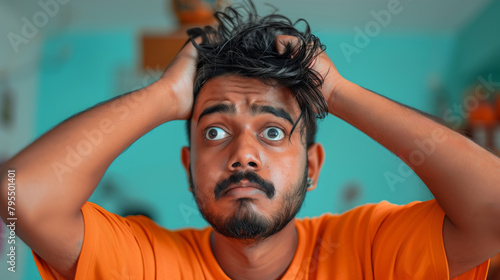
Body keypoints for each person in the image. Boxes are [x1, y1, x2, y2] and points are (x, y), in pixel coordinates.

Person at [1, 2, 499, 279]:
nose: (243, 155)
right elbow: (21, 196)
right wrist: (162, 95)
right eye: (214, 131)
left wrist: (340, 93)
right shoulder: (147, 264)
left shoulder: (371, 250)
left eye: (274, 131)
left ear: (312, 165)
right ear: (188, 163)